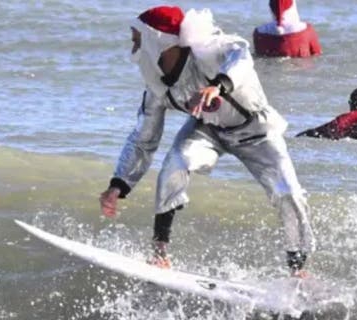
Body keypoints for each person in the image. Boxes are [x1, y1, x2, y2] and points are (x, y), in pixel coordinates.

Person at [98, 6, 315, 277]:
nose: (133, 45)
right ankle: (160, 254)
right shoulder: (157, 86)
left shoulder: (208, 51)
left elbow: (242, 55)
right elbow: (144, 140)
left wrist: (219, 85)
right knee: (176, 162)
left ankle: (299, 269)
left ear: (157, 40)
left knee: (288, 193)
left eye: (137, 38)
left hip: (256, 131)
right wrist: (119, 184)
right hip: (208, 130)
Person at [253, 0, 322, 58]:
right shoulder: (307, 31)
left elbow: (259, 56)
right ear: (293, 7)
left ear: (271, 9)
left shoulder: (259, 33)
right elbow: (317, 56)